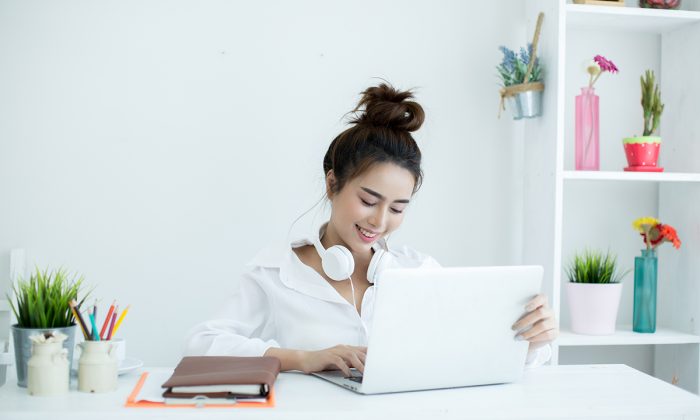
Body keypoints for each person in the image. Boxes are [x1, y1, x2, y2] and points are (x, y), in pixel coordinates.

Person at [184, 82, 559, 376]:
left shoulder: (420, 272)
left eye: (398, 208)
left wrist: (530, 340)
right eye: (368, 200)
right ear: (332, 184)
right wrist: (303, 358)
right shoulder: (277, 271)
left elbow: (473, 355)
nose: (380, 222)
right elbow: (201, 345)